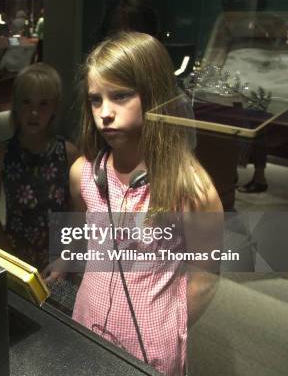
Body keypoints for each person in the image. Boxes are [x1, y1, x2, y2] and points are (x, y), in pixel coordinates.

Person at [46, 32, 222, 376]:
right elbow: (84, 229)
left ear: (154, 96)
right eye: (96, 100)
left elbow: (205, 276)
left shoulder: (192, 190)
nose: (105, 114)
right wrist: (67, 257)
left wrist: (170, 328)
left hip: (150, 346)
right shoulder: (82, 174)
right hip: (87, 323)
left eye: (121, 96)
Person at [0, 63, 79, 271]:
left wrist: (66, 257)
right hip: (17, 255)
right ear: (15, 105)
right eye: (26, 102)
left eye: (43, 104)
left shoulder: (68, 153)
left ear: (54, 107)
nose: (34, 112)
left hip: (60, 259)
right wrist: (11, 258)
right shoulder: (0, 155)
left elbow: (77, 213)